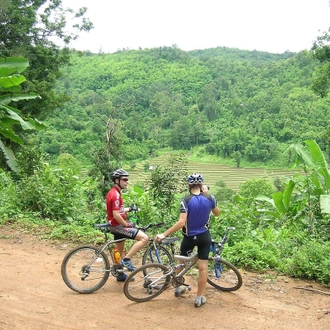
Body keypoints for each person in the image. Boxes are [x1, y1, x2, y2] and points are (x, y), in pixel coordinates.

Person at [155, 172, 220, 307]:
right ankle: (198, 298)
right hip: (204, 237)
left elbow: (181, 223)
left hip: (189, 238)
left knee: (181, 263)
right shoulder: (210, 198)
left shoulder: (185, 200)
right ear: (201, 185)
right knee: (203, 268)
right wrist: (207, 195)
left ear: (189, 185)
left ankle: (177, 287)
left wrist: (164, 234)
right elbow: (217, 213)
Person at [106, 168, 149, 282]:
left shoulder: (114, 192)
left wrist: (129, 209)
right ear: (116, 181)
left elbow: (117, 210)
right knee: (144, 238)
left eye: (127, 179)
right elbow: (116, 215)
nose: (127, 182)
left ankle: (120, 274)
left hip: (114, 226)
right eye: (124, 179)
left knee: (119, 251)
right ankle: (127, 259)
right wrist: (126, 225)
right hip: (118, 227)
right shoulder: (115, 194)